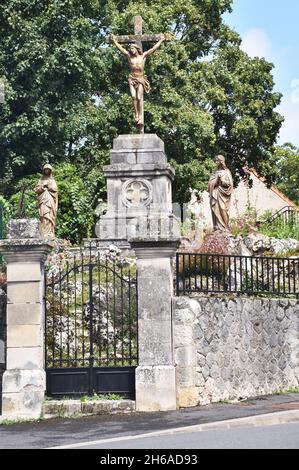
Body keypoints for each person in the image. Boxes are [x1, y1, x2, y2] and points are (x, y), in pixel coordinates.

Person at [111, 34, 165, 132]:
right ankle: (136, 115)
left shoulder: (143, 56)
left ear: (136, 49)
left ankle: (140, 117)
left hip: (140, 79)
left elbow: (152, 49)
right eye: (130, 48)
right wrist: (115, 41)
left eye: (132, 48)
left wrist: (160, 41)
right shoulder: (129, 57)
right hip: (132, 78)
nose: (131, 50)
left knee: (139, 97)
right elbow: (121, 49)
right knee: (133, 97)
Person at [208, 155, 233, 232]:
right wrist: (215, 181)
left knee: (222, 209)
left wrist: (222, 181)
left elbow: (230, 184)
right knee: (215, 209)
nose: (216, 162)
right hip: (215, 192)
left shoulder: (226, 172)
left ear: (221, 161)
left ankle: (225, 227)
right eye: (215, 160)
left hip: (223, 193)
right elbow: (210, 183)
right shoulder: (214, 172)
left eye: (217, 160)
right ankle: (217, 227)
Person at [35, 164, 58, 238]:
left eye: (48, 170)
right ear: (44, 171)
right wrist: (42, 187)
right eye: (45, 169)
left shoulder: (52, 180)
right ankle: (43, 232)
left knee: (49, 215)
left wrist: (48, 186)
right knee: (43, 215)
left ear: (50, 171)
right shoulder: (41, 180)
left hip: (50, 200)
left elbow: (55, 189)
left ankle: (50, 232)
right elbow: (36, 189)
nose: (47, 171)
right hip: (42, 200)